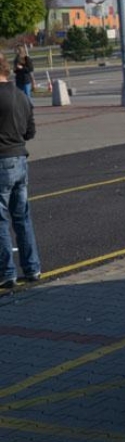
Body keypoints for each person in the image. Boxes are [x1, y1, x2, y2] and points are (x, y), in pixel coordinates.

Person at [0, 53, 41, 290]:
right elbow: (30, 132)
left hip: (2, 160)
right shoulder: (22, 96)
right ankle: (32, 267)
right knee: (22, 217)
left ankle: (7, 272)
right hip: (19, 159)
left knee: (1, 220)